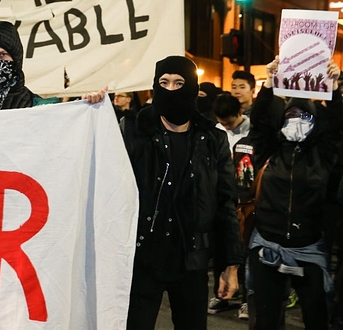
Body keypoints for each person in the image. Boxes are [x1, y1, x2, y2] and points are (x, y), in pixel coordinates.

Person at [121, 55, 243, 330]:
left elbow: (225, 203)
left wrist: (230, 264)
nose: (171, 89)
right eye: (164, 82)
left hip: (192, 261)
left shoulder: (213, 138)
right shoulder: (133, 130)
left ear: (193, 88)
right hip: (143, 259)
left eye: (179, 83)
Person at [248, 56, 342, 330]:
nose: (297, 122)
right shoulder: (269, 151)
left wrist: (334, 89)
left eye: (305, 117)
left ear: (314, 122)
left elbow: (337, 126)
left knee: (316, 317)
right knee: (266, 320)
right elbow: (259, 121)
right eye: (291, 116)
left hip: (309, 246)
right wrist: (267, 84)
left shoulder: (322, 155)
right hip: (268, 243)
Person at [208, 93, 254, 320]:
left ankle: (247, 298)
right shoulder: (214, 133)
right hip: (223, 198)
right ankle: (222, 294)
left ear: (240, 113)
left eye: (229, 122)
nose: (225, 126)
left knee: (244, 251)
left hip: (247, 200)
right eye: (221, 121)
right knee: (221, 248)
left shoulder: (252, 133)